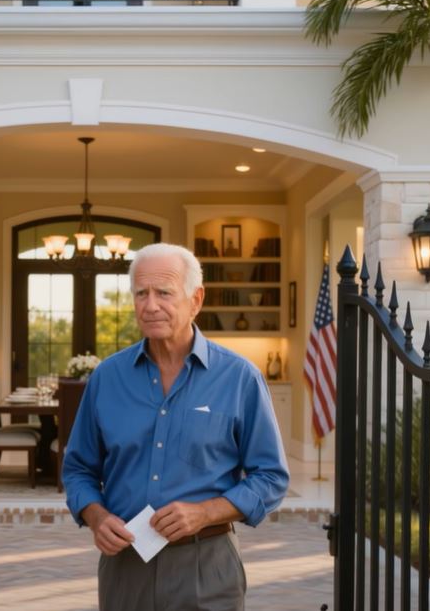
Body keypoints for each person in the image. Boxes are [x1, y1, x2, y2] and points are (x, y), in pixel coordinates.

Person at [62, 242, 289, 611]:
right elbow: (77, 469)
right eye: (141, 293)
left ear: (195, 300)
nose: (150, 305)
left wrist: (206, 512)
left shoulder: (239, 378)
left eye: (164, 293)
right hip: (125, 566)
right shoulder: (107, 377)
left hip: (208, 565)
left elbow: (271, 477)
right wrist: (96, 515)